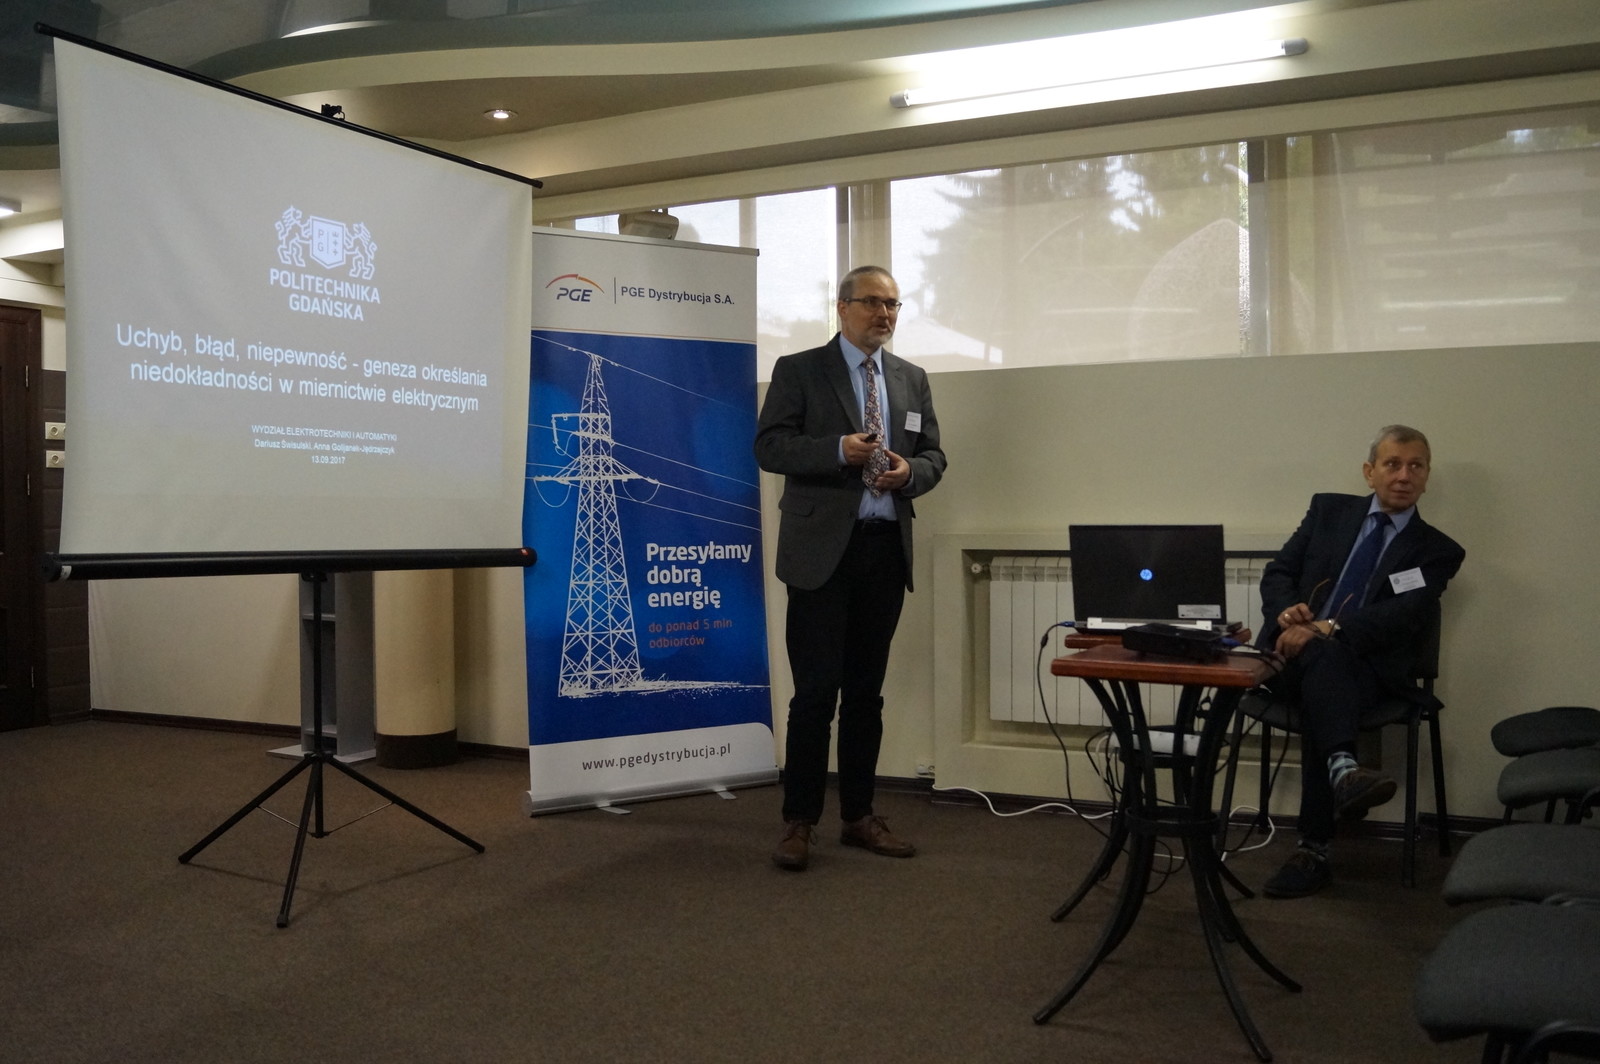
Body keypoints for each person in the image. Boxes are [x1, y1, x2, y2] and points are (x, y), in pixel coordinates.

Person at [754, 265, 947, 871]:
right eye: (872, 302)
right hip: (820, 555)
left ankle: (859, 817)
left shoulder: (912, 379)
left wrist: (909, 473)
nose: (884, 314)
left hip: (884, 550)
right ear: (842, 308)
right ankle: (799, 821)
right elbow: (769, 447)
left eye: (893, 305)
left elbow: (934, 455)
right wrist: (838, 449)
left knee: (866, 694)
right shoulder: (799, 370)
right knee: (815, 694)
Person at [1254, 424, 1465, 898]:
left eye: (1416, 466)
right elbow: (1279, 573)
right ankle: (1343, 770)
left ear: (1427, 477)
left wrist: (1327, 628)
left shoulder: (1438, 551)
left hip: (1368, 672)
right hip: (1290, 660)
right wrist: (1286, 614)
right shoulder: (1328, 512)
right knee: (1322, 671)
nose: (1404, 475)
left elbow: (1403, 615)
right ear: (1370, 472)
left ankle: (1315, 845)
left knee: (1324, 676)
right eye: (1393, 464)